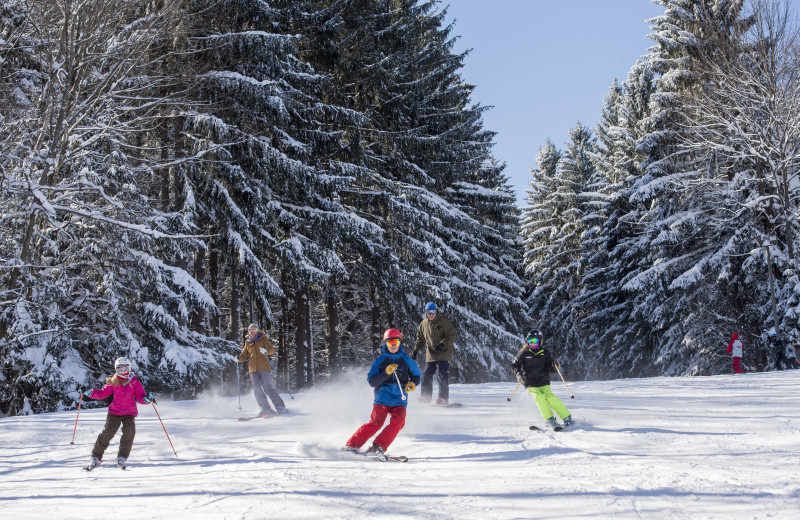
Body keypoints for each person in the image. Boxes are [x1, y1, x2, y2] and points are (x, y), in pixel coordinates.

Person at [342, 328, 421, 460]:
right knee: (376, 423)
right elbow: (372, 381)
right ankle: (351, 445)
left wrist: (412, 384)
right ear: (386, 344)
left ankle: (377, 446)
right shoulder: (380, 360)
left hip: (399, 398)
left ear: (400, 343)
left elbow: (417, 376)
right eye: (390, 343)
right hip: (382, 397)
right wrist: (386, 373)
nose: (394, 345)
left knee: (399, 421)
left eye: (396, 342)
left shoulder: (406, 360)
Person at [81, 356, 155, 469]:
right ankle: (96, 455)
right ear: (116, 370)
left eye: (124, 369)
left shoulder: (135, 383)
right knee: (107, 433)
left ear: (129, 369)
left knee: (129, 432)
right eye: (119, 369)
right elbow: (102, 393)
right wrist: (89, 393)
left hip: (129, 413)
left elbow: (141, 398)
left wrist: (146, 399)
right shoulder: (113, 382)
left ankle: (122, 456)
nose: (122, 372)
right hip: (114, 412)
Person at [511, 328, 573, 430]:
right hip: (529, 381)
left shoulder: (545, 352)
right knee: (539, 397)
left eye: (534, 341)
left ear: (540, 341)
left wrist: (554, 366)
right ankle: (550, 419)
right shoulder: (524, 353)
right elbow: (514, 365)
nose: (532, 343)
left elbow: (550, 367)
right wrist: (518, 375)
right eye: (530, 341)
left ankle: (566, 417)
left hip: (543, 379)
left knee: (549, 397)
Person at [238, 323, 287, 416]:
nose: (252, 332)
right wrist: (239, 358)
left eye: (254, 330)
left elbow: (272, 350)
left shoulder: (263, 338)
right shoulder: (248, 342)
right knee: (257, 388)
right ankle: (265, 408)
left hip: (264, 367)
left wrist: (266, 351)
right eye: (250, 331)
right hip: (253, 369)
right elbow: (244, 355)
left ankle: (280, 406)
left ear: (257, 331)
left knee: (267, 387)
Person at [413, 302, 457, 405]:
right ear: (426, 313)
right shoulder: (423, 324)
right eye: (429, 312)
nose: (431, 314)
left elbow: (451, 335)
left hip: (444, 351)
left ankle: (443, 397)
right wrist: (416, 350)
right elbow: (420, 339)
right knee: (427, 373)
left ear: (436, 311)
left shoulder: (444, 323)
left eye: (433, 312)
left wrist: (442, 344)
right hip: (431, 352)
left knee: (441, 373)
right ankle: (426, 396)